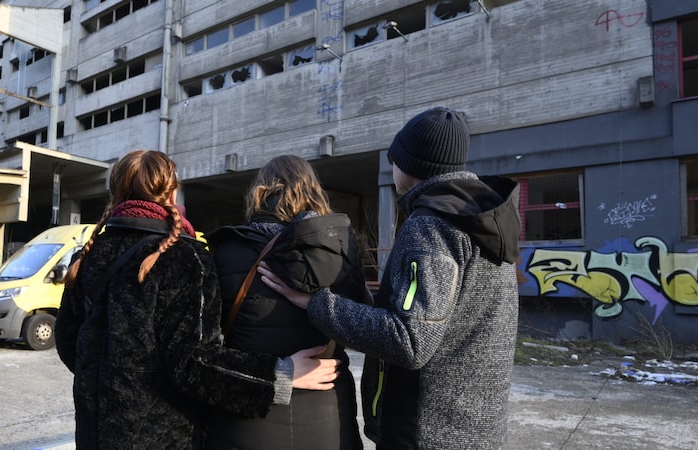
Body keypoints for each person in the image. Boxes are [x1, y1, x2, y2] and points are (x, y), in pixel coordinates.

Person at [259, 107, 521, 449]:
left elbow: (410, 341)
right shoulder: (482, 221)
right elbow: (439, 320)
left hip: (424, 433)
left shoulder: (431, 226)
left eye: (393, 159)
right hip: (474, 431)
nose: (391, 167)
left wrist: (315, 303)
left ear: (408, 165)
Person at [54, 150, 340, 449]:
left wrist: (110, 380)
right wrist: (279, 375)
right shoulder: (183, 256)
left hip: (93, 432)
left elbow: (68, 342)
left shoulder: (87, 256)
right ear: (171, 191)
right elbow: (194, 364)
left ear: (116, 191)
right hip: (163, 436)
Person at [204, 155, 368, 450]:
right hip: (330, 422)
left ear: (260, 193)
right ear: (313, 192)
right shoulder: (343, 252)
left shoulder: (228, 251)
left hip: (246, 422)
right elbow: (367, 325)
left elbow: (207, 353)